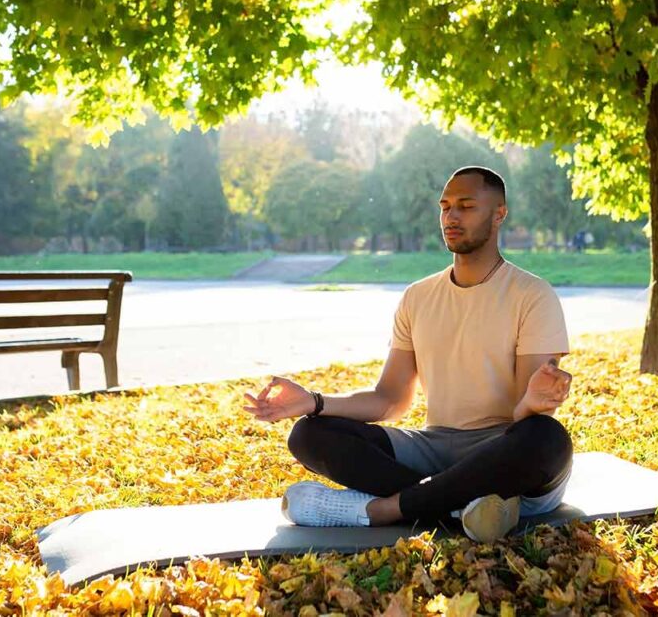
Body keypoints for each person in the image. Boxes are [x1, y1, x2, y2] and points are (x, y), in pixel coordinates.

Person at [242, 166, 574, 543]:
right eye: (445, 206)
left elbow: (522, 418)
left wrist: (534, 400)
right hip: (433, 448)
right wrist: (313, 401)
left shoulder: (532, 295)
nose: (451, 216)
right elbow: (389, 400)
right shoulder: (418, 297)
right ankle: (463, 507)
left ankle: (380, 510)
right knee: (309, 433)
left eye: (466, 206)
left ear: (499, 214)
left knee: (547, 438)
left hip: (501, 452)